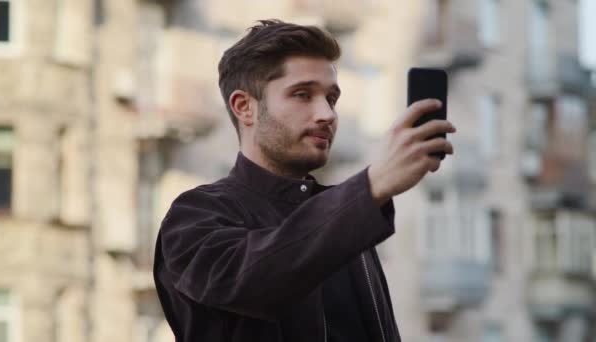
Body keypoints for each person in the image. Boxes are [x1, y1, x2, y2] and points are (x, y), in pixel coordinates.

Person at [153, 19, 455, 342]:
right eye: (302, 94)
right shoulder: (193, 218)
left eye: (332, 99)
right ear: (245, 108)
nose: (327, 114)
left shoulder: (349, 224)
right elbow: (258, 280)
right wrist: (370, 187)